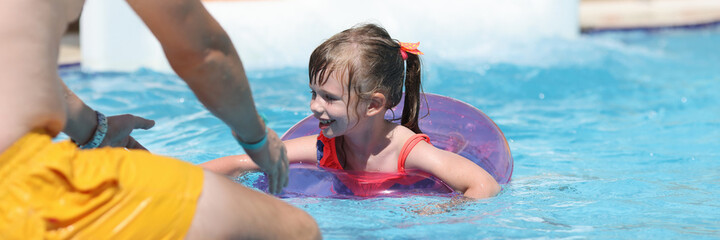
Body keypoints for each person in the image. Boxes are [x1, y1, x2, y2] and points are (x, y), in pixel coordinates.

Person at [0, 0, 320, 239]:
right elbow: (203, 51)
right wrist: (258, 137)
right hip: (20, 184)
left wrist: (92, 130)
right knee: (298, 229)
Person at [201, 23, 501, 199]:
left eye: (329, 98)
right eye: (313, 93)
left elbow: (485, 185)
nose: (314, 106)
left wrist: (443, 211)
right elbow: (244, 162)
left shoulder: (406, 152)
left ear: (373, 104)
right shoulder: (326, 147)